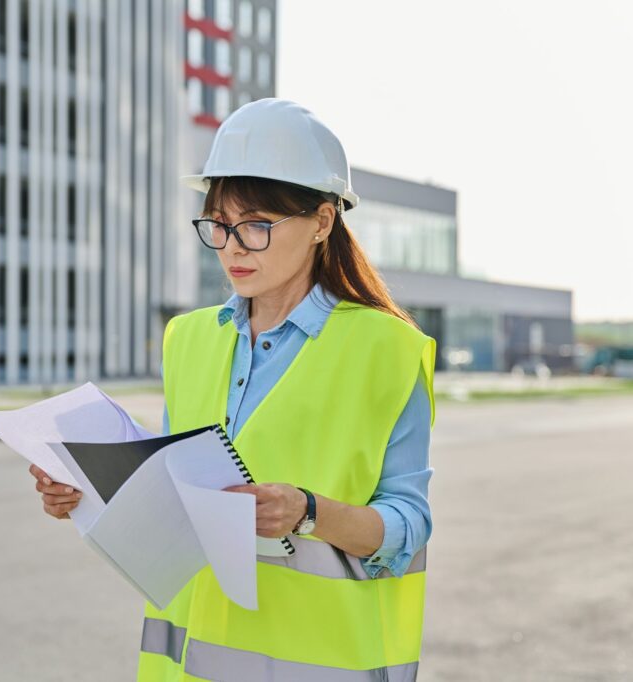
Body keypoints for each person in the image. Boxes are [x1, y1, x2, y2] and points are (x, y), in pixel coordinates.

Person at [30, 98, 436, 681]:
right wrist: (87, 488)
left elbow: (408, 523)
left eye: (256, 226)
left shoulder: (387, 350)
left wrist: (308, 512)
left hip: (317, 664)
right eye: (218, 225)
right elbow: (173, 481)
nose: (232, 247)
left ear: (322, 222)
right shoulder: (188, 338)